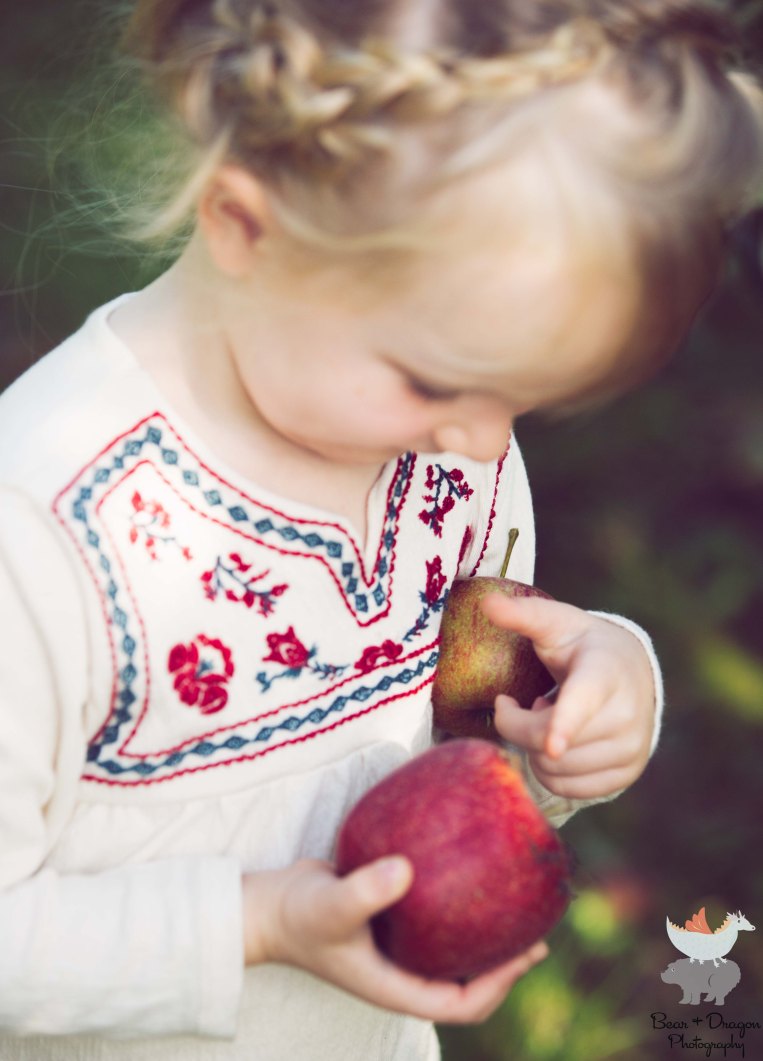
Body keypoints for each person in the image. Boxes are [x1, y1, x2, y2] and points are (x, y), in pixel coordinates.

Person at [1, 0, 762, 1058]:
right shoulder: (46, 527)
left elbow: (472, 751)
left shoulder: (450, 462)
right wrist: (255, 925)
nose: (490, 446)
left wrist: (583, 705)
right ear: (245, 227)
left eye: (523, 400)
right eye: (438, 381)